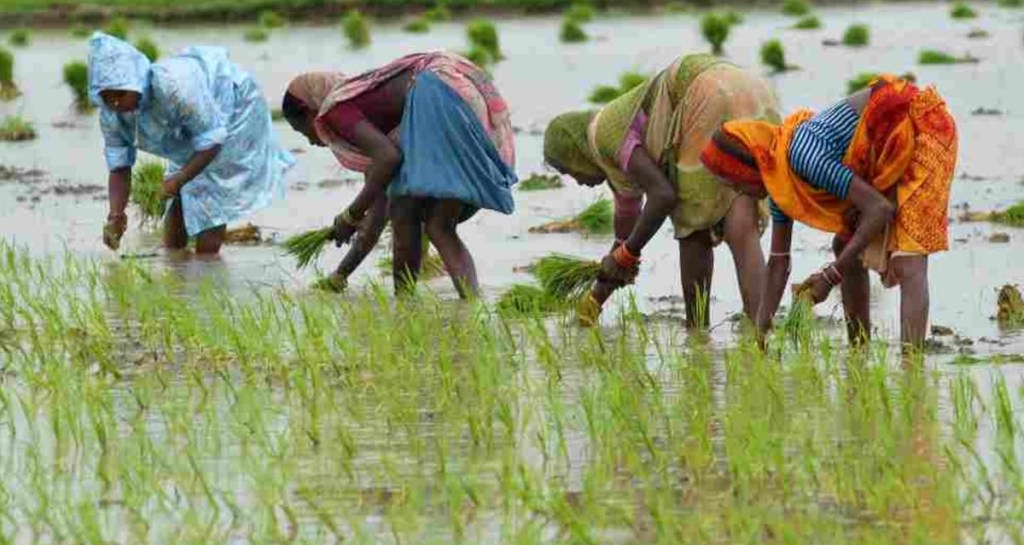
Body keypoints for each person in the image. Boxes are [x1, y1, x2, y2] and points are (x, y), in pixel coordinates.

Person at [700, 74, 957, 348]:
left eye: (735, 181)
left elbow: (878, 209)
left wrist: (830, 277)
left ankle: (911, 369)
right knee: (845, 245)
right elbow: (778, 264)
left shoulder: (801, 154)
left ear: (747, 166)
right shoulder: (779, 181)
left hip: (920, 129)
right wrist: (760, 335)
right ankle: (859, 349)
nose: (740, 191)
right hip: (883, 153)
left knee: (909, 261)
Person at [543, 54, 780, 328]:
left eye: (569, 170)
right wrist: (594, 301)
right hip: (750, 88)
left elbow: (663, 195)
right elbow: (626, 241)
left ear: (575, 152)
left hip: (705, 94)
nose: (579, 181)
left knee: (693, 227)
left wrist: (627, 254)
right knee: (742, 228)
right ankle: (764, 335)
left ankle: (697, 334)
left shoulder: (604, 133)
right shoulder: (620, 170)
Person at [281, 51, 516, 298]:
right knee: (438, 226)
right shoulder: (370, 116)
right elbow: (376, 218)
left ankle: (404, 305)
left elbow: (389, 159)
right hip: (456, 92)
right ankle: (471, 306)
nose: (309, 140)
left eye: (303, 130)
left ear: (311, 111)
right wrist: (339, 276)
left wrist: (350, 216)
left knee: (404, 208)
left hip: (435, 94)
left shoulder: (336, 109)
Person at [91, 33, 294, 254]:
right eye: (107, 97)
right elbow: (119, 167)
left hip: (231, 104)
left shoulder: (175, 89)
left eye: (121, 93)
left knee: (210, 190)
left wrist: (178, 179)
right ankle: (176, 261)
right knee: (179, 191)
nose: (116, 103)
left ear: (138, 82)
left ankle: (207, 266)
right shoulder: (111, 114)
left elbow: (212, 141)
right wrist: (116, 215)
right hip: (194, 129)